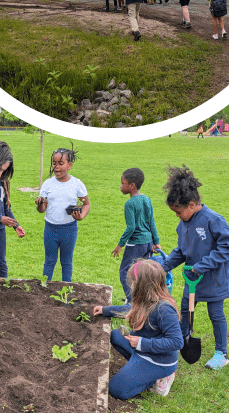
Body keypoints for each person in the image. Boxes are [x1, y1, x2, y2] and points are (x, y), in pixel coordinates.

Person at [160, 166, 229, 370]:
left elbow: (226, 247)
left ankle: (221, 353)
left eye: (178, 211)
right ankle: (180, 341)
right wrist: (163, 267)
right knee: (183, 309)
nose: (177, 216)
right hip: (192, 280)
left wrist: (202, 265)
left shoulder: (213, 220)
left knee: (215, 314)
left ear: (191, 205)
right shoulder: (183, 224)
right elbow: (182, 251)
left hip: (213, 279)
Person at [93, 259, 183, 398]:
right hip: (142, 349)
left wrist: (142, 343)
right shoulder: (147, 298)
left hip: (157, 360)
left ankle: (156, 379)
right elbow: (131, 308)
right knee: (115, 336)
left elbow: (177, 342)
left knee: (116, 390)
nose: (130, 285)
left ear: (142, 285)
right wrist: (106, 310)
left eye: (133, 282)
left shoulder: (164, 309)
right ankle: (140, 370)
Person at [35, 147, 90, 282]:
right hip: (50, 228)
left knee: (66, 262)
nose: (56, 167)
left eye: (61, 164)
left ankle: (67, 290)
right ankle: (44, 287)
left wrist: (81, 215)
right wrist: (40, 205)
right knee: (49, 261)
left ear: (69, 165)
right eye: (54, 163)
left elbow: (86, 204)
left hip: (69, 229)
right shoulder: (48, 184)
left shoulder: (76, 184)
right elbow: (42, 209)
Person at [114, 168, 161, 302]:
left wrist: (120, 245)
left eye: (123, 183)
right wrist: (156, 241)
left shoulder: (130, 203)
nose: (120, 186)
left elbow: (131, 227)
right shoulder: (147, 200)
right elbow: (152, 222)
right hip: (148, 243)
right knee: (142, 273)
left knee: (125, 272)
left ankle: (132, 301)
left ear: (131, 185)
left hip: (136, 244)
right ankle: (143, 300)